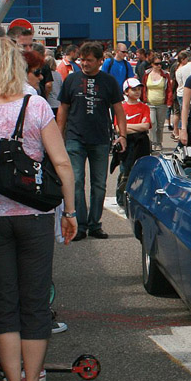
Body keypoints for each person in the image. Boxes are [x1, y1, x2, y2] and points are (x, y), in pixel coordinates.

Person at [0, 37, 77, 381]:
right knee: (34, 301)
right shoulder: (35, 106)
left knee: (2, 302)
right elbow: (62, 163)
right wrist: (69, 211)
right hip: (34, 216)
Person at [58, 41, 126, 240]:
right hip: (74, 138)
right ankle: (80, 225)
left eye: (89, 61)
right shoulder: (71, 81)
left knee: (99, 184)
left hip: (100, 139)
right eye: (82, 60)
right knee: (76, 182)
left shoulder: (109, 81)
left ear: (99, 61)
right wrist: (58, 136)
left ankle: (95, 224)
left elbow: (118, 110)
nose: (85, 64)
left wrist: (122, 135)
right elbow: (63, 109)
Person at [115, 77, 152, 207]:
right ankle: (121, 200)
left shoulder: (144, 107)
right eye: (134, 90)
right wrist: (128, 128)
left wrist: (127, 126)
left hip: (141, 142)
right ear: (126, 91)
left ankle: (139, 198)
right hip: (127, 142)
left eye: (139, 90)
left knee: (142, 171)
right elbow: (118, 128)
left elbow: (146, 126)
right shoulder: (122, 107)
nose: (137, 92)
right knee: (125, 172)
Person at [144, 56, 170, 149]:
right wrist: (143, 99)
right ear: (152, 64)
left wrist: (169, 101)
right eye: (156, 64)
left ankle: (159, 142)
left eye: (160, 63)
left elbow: (169, 89)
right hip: (150, 103)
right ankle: (152, 142)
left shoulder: (165, 75)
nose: (159, 65)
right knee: (152, 123)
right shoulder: (147, 74)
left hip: (162, 103)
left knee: (160, 125)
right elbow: (144, 87)